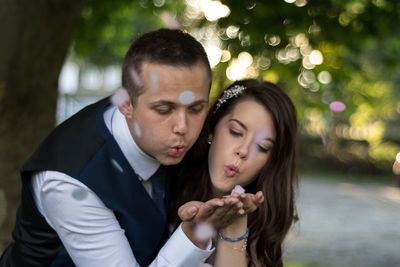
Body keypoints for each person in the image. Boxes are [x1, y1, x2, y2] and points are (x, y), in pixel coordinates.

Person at [0, 28, 241, 267]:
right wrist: (194, 234)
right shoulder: (69, 182)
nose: (182, 127)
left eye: (196, 108)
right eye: (164, 110)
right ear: (125, 103)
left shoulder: (169, 135)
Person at [173, 79, 298, 266]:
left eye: (262, 147)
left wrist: (234, 228)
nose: (244, 151)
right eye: (236, 132)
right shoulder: (165, 182)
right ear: (212, 128)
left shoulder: (262, 225)